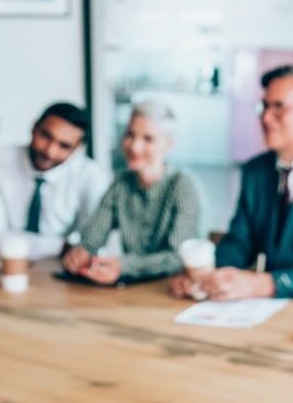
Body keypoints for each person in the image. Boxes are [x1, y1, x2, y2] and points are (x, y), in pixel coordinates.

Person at [167, 65, 293, 300]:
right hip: (261, 311)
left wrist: (265, 284)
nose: (265, 117)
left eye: (279, 107)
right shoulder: (255, 171)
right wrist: (203, 276)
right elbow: (240, 241)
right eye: (264, 106)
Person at [62, 101, 202, 284]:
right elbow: (92, 238)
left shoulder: (183, 185)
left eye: (148, 139)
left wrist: (124, 266)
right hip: (131, 290)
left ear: (168, 144)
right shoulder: (120, 183)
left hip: (173, 289)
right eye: (130, 135)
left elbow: (177, 257)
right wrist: (81, 252)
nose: (134, 146)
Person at [0, 102, 109, 260]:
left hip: (63, 271)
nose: (50, 151)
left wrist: (78, 249)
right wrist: (64, 246)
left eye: (64, 145)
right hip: (5, 266)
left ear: (77, 148)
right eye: (45, 136)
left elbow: (93, 241)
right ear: (34, 128)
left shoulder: (90, 175)